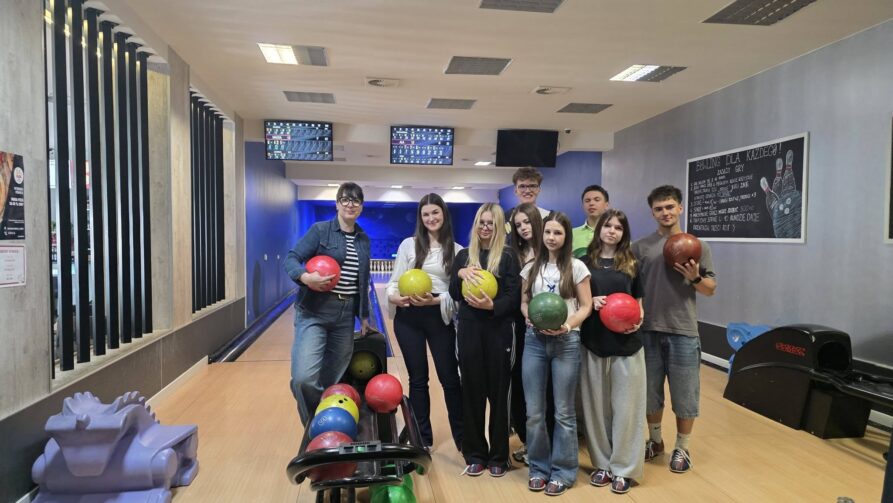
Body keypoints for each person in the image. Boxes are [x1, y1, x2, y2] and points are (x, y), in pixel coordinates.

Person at [631, 185, 716, 474]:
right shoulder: (640, 248)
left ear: (680, 207)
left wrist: (695, 277)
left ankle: (682, 447)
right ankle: (655, 441)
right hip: (648, 329)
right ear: (652, 212)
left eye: (670, 207)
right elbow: (630, 288)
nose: (665, 212)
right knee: (650, 393)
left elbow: (710, 289)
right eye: (659, 208)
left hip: (683, 330)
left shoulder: (698, 246)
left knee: (685, 394)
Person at [284, 182, 372, 426]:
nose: (350, 204)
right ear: (337, 204)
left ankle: (326, 427)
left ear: (361, 206)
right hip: (314, 311)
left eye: (356, 200)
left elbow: (362, 280)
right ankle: (314, 426)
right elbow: (292, 258)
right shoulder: (320, 231)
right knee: (303, 379)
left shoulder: (363, 239)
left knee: (330, 379)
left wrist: (365, 316)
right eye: (345, 199)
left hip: (345, 316)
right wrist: (305, 278)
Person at [520, 212, 592, 496]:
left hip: (567, 342)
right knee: (534, 412)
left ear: (566, 237)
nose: (551, 237)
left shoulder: (577, 267)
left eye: (558, 233)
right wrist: (528, 316)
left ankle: (563, 472)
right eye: (548, 232)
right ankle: (538, 468)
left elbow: (586, 306)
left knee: (564, 412)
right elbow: (524, 302)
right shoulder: (531, 268)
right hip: (534, 342)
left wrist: (567, 325)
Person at [387, 193, 463, 452]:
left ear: (444, 214)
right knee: (418, 380)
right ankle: (422, 439)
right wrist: (395, 297)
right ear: (420, 218)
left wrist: (434, 300)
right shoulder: (408, 245)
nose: (431, 218)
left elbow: (457, 294)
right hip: (408, 317)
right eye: (426, 214)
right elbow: (394, 282)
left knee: (450, 378)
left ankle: (463, 437)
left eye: (435, 212)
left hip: (438, 315)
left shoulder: (457, 250)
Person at [449, 203, 520, 477]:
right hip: (469, 330)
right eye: (482, 222)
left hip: (499, 330)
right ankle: (475, 454)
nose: (486, 227)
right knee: (472, 393)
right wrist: (460, 273)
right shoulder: (464, 256)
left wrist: (493, 306)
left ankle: (499, 456)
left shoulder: (509, 256)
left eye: (491, 223)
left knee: (500, 395)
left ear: (499, 226)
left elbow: (514, 296)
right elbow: (454, 293)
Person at [579, 209, 646, 494]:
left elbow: (639, 303)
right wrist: (591, 300)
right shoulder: (584, 263)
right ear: (599, 230)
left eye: (618, 228)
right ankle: (603, 465)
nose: (612, 231)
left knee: (627, 408)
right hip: (593, 342)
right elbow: (575, 300)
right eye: (608, 226)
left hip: (627, 345)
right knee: (596, 409)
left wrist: (638, 321)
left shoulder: (632, 263)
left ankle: (624, 468)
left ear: (623, 233)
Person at [506, 203, 546, 466]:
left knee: (544, 388)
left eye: (527, 222)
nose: (523, 228)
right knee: (520, 384)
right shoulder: (513, 254)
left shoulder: (552, 249)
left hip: (549, 326)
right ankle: (527, 440)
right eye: (518, 224)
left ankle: (544, 443)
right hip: (519, 326)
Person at [571, 185, 610, 256]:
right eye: (587, 201)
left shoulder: (614, 233)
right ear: (583, 205)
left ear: (606, 205)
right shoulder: (571, 234)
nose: (591, 203)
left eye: (597, 200)